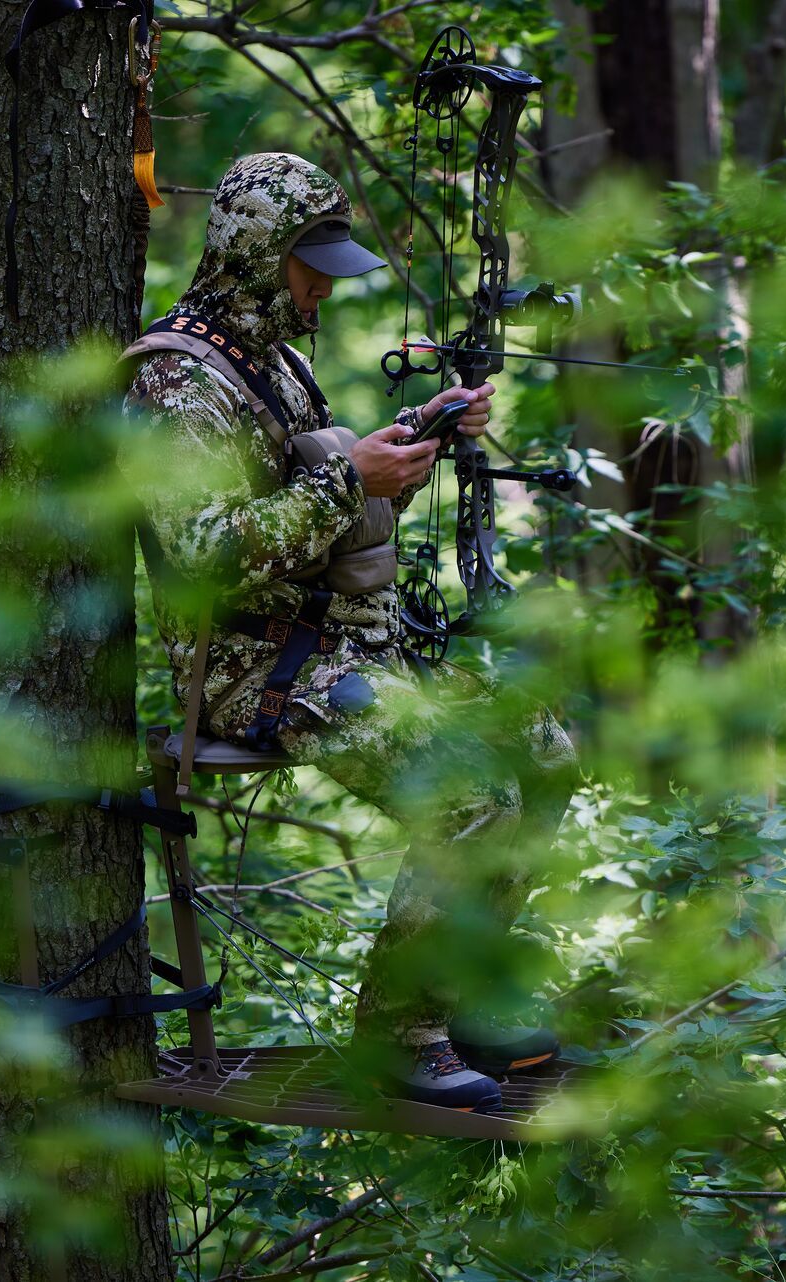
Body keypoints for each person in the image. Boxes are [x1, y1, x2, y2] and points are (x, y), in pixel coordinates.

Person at [125, 152, 577, 1114]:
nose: (325, 284)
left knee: (543, 751)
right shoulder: (176, 380)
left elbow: (304, 479)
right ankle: (398, 1036)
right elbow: (202, 554)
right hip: (256, 670)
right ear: (254, 255)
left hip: (344, 648)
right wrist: (350, 482)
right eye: (310, 263)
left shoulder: (273, 358)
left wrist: (418, 432)